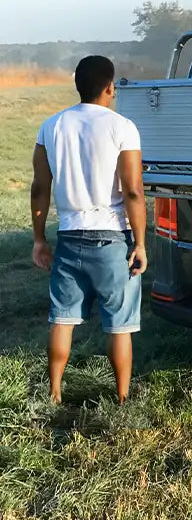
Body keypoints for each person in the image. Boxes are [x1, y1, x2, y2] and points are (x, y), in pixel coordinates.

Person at [31, 54, 147, 404]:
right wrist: (140, 242)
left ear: (77, 86)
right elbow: (132, 191)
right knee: (120, 325)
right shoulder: (122, 126)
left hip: (69, 235)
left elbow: (39, 187)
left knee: (62, 320)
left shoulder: (51, 127)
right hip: (113, 238)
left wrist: (39, 239)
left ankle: (54, 392)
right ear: (110, 87)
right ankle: (122, 397)